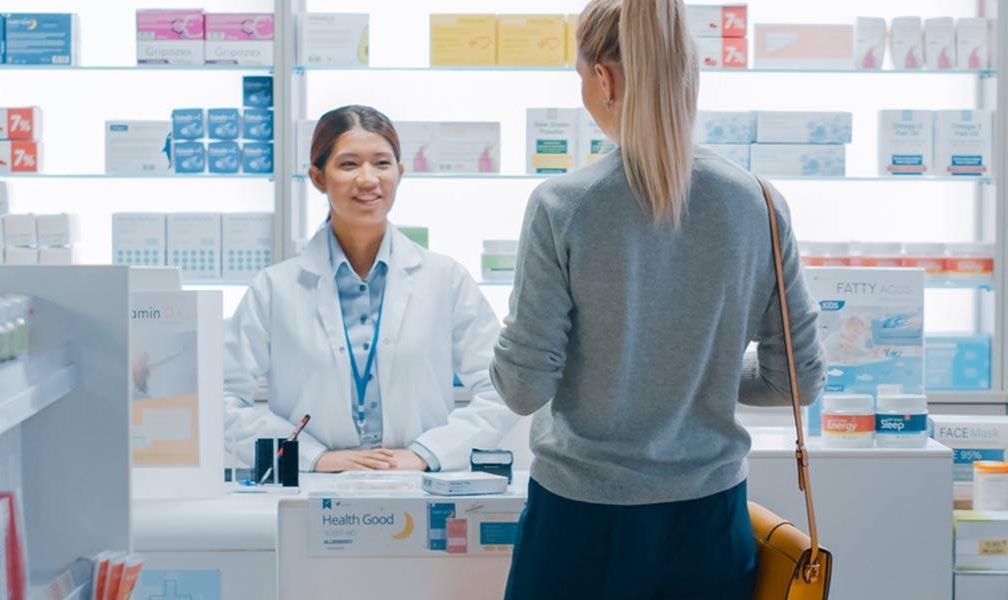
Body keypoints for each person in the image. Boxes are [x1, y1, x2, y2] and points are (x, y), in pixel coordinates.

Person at [493, 0, 827, 597]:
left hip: (579, 523)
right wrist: (703, 374)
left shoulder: (563, 206)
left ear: (604, 78)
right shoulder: (759, 203)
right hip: (708, 524)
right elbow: (795, 378)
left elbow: (522, 389)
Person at [222, 105, 517, 474]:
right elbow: (222, 399)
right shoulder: (274, 289)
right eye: (348, 164)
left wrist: (428, 454)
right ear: (318, 177)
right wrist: (311, 457)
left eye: (381, 163)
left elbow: (503, 390)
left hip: (417, 486)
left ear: (400, 173)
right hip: (314, 487)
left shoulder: (446, 279)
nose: (368, 179)